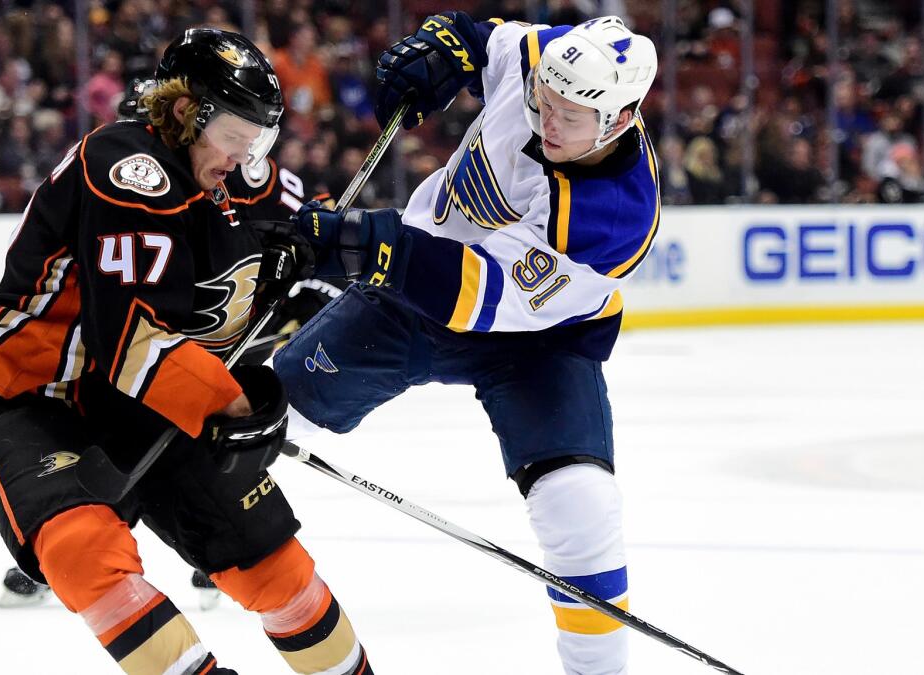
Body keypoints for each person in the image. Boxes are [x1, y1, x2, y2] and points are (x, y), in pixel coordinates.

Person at [0, 28, 373, 675]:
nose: (245, 151)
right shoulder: (125, 167)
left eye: (256, 136)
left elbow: (312, 222)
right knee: (83, 548)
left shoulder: (231, 167)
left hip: (144, 394)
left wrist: (323, 253)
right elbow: (129, 341)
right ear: (182, 111)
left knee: (271, 561)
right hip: (32, 393)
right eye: (234, 132)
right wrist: (232, 403)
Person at [275, 14, 659, 675]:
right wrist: (442, 52)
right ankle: (109, 521)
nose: (549, 120)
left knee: (583, 505)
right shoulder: (548, 59)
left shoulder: (613, 214)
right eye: (545, 99)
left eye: (572, 115)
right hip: (407, 302)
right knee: (258, 416)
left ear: (620, 120)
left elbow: (474, 292)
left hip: (538, 340)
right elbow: (482, 38)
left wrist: (358, 243)